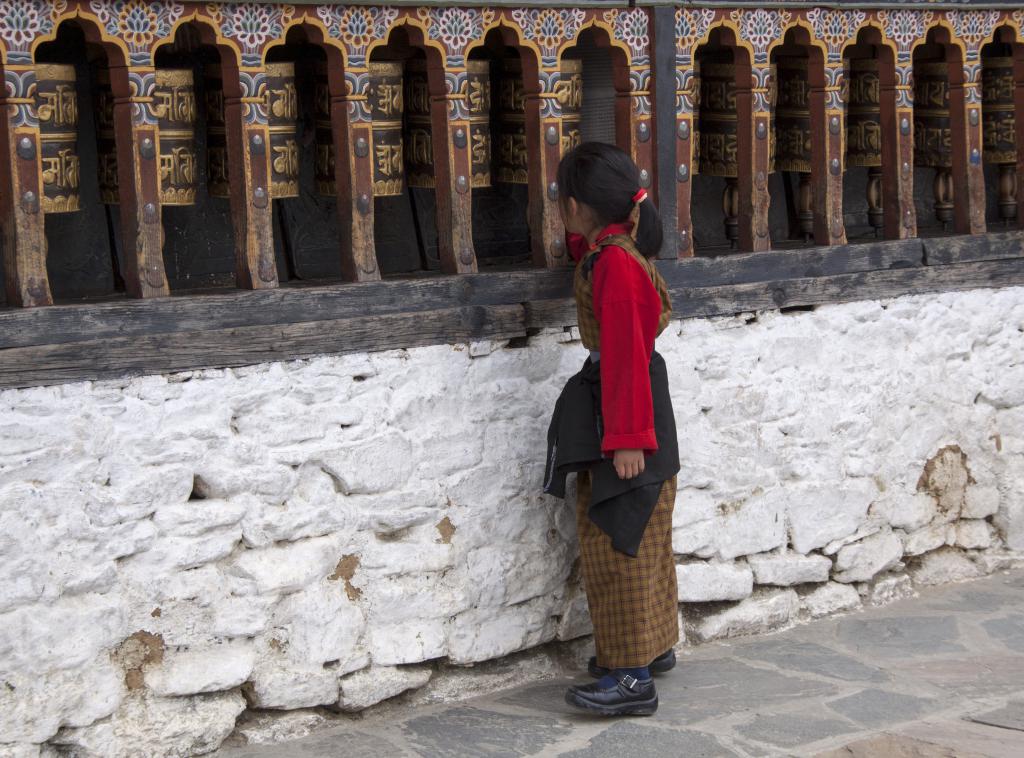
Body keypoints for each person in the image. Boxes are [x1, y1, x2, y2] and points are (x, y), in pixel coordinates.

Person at [543, 142, 680, 717]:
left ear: (575, 206)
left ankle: (630, 678)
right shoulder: (616, 249)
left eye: (561, 202)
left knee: (617, 533)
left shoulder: (617, 265)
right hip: (638, 403)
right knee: (644, 531)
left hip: (627, 412)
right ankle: (653, 648)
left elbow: (624, 351)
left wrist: (627, 438)